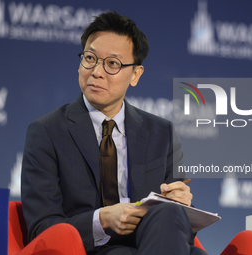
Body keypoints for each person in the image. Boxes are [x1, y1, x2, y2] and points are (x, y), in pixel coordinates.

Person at [21, 11, 206, 255]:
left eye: (112, 64)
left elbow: (182, 231)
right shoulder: (47, 132)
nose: (96, 71)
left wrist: (184, 206)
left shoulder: (162, 133)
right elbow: (42, 229)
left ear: (135, 75)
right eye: (90, 58)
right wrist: (102, 219)